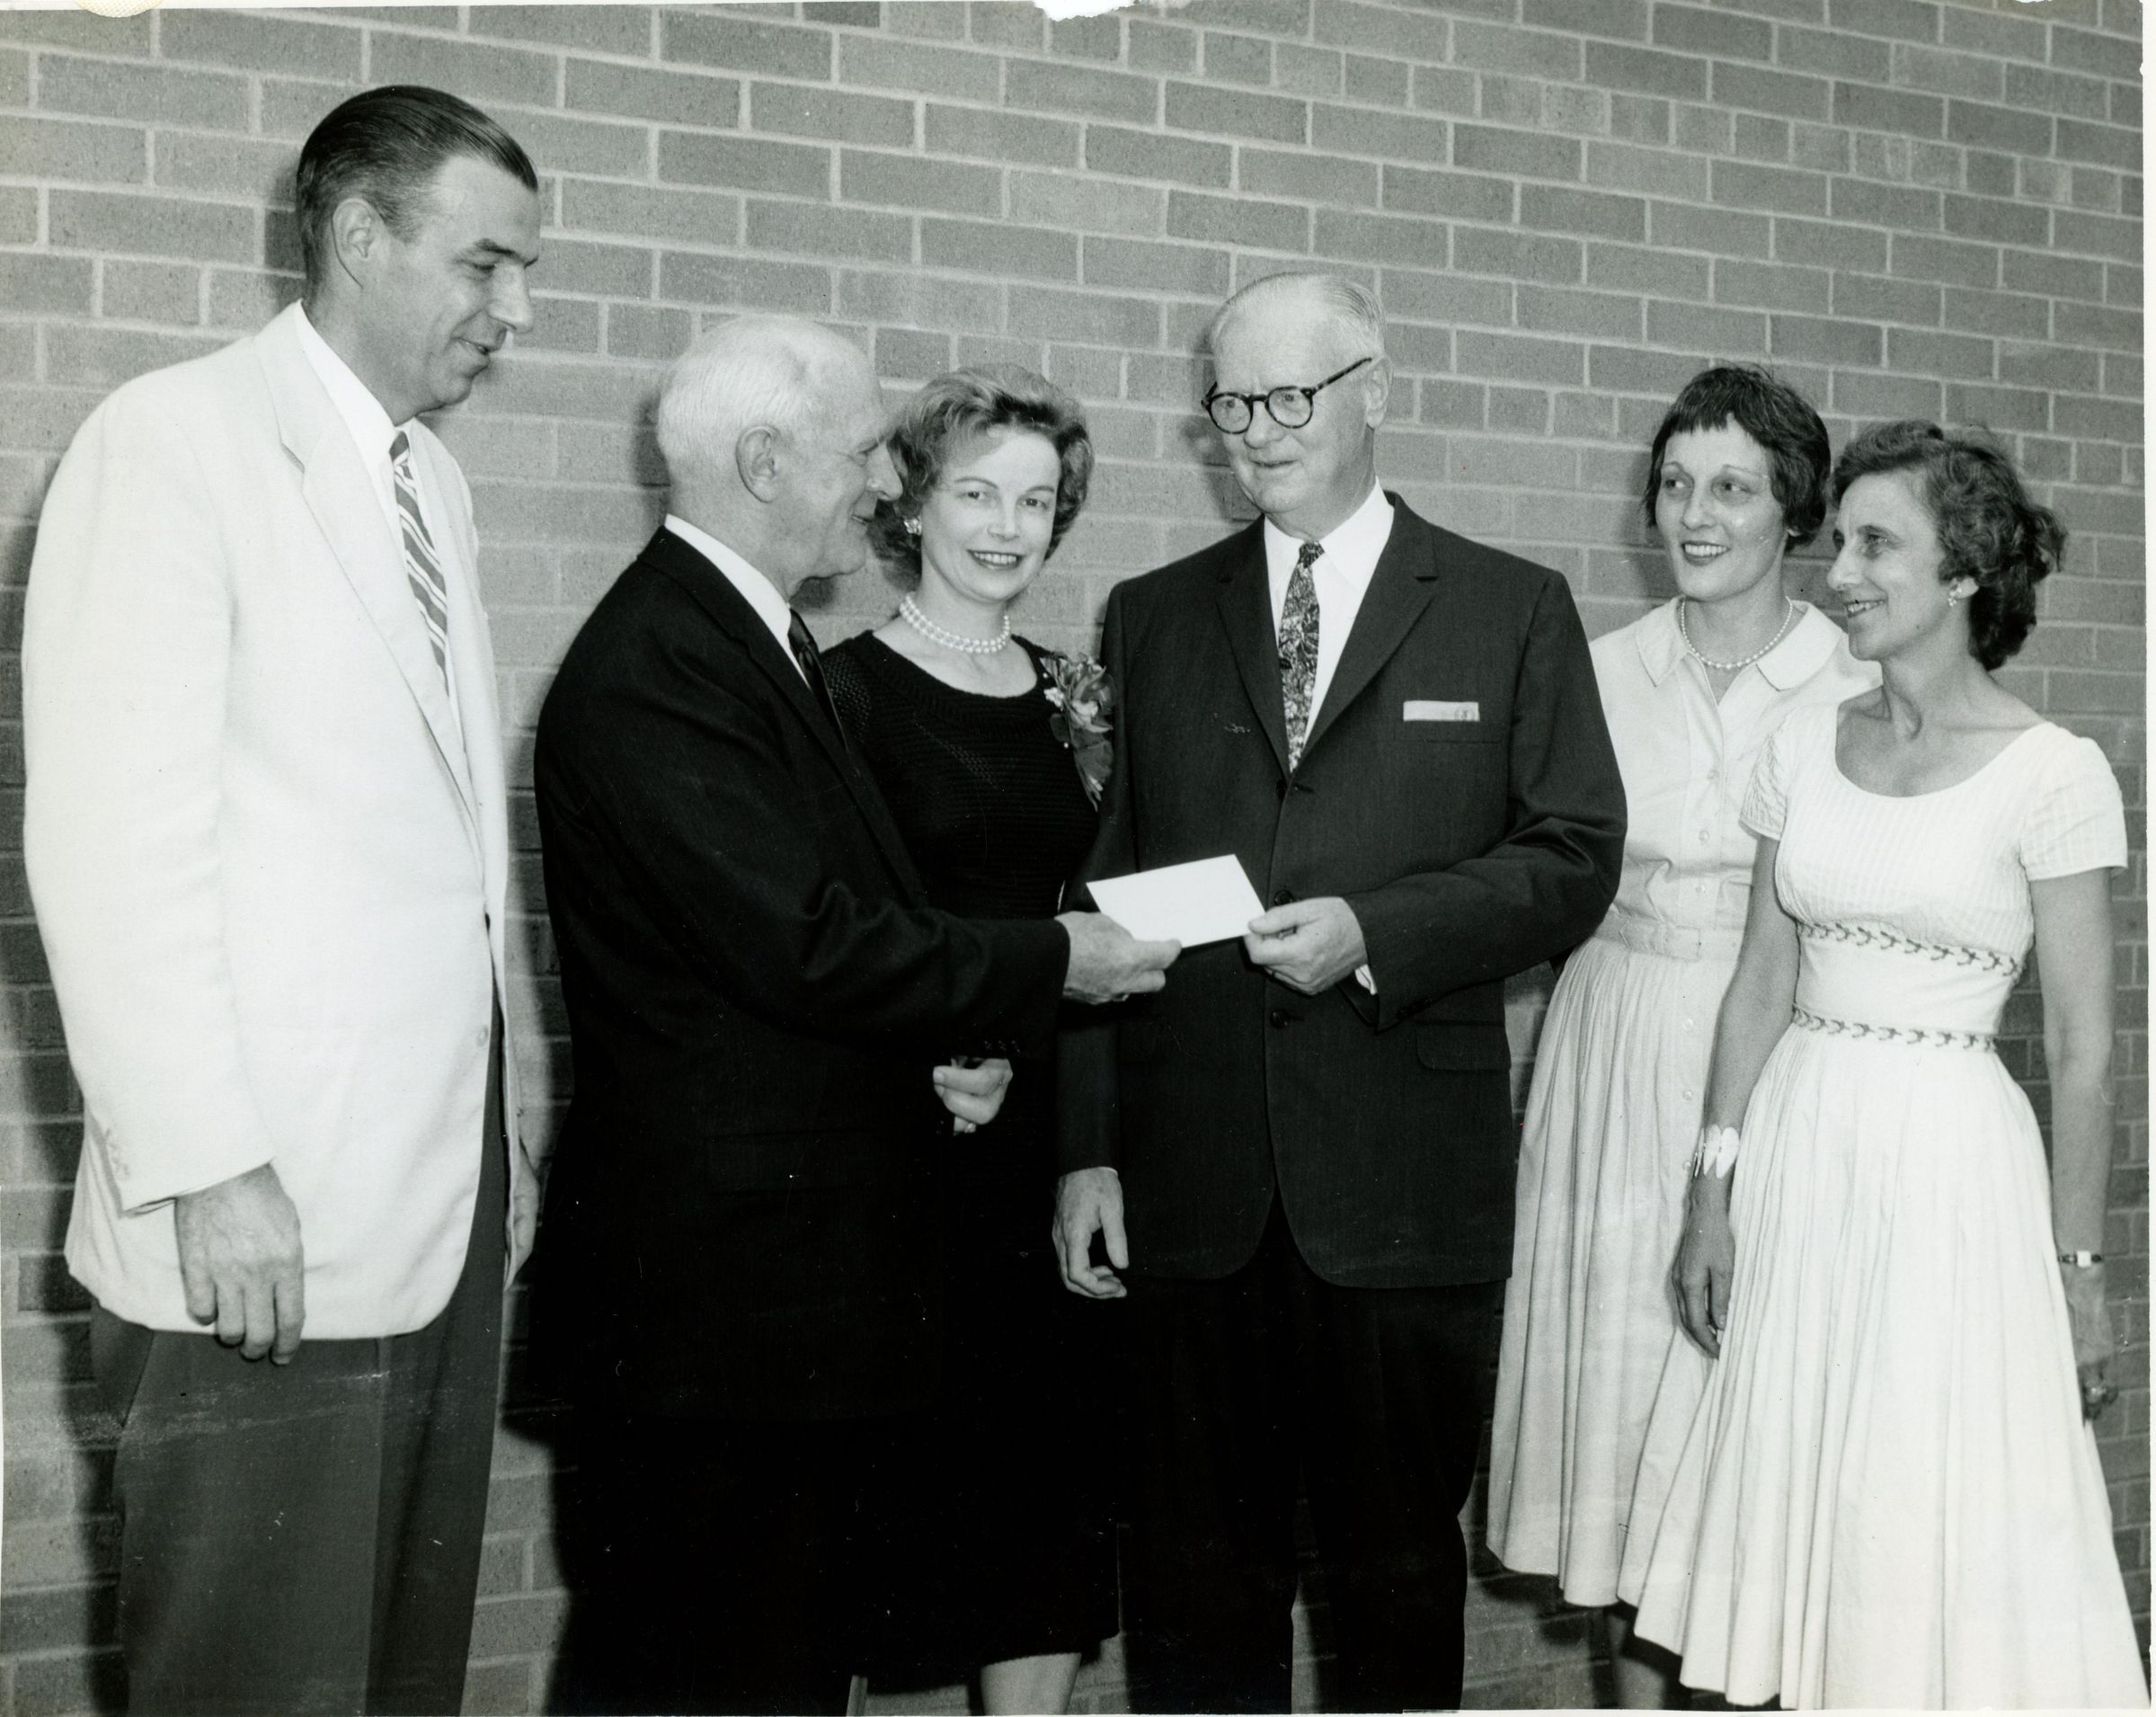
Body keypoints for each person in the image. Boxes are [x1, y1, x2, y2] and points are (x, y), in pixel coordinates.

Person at [532, 317, 1176, 1717]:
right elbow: (802, 941)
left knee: (763, 1662)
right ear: (768, 462)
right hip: (721, 1306)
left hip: (771, 1293)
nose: (886, 480)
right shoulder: (666, 660)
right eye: (871, 450)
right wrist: (1048, 963)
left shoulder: (738, 639)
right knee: (706, 1669)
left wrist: (944, 1058)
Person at [21, 87, 542, 1714]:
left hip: (432, 1202)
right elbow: (111, 844)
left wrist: (503, 1137)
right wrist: (207, 1163)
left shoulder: (430, 483)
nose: (515, 311)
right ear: (360, 236)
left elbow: (441, 862)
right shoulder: (171, 442)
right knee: (261, 1681)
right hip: (259, 1216)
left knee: (398, 1676)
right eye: (486, 264)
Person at [1053, 271, 1627, 1713]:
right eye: (1230, 400)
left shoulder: (1510, 606)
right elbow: (1103, 900)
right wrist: (1088, 1146)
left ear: (1377, 390)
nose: (1254, 429)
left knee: (1391, 1597)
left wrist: (1378, 928)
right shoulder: (1155, 613)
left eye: (1288, 395)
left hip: (1401, 1192)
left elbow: (1572, 855)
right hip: (1195, 1197)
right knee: (1195, 1601)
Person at [1619, 421, 2147, 1707]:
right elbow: (1761, 981)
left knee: (1916, 1501)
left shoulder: (2055, 772)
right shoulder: (1803, 744)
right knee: (1792, 1498)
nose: (1839, 572)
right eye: (1840, 540)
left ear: (1963, 571)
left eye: (1874, 545)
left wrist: (2080, 1275)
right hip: (1801, 1149)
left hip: (1951, 1175)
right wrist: (1711, 1191)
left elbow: (2084, 1054)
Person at [1484, 367, 1875, 1704]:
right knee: (1625, 1426)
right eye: (1675, 485)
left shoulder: (1853, 678)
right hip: (1612, 1047)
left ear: (1796, 513)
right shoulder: (1593, 671)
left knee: (1739, 1424)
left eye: (1733, 488)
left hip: (1778, 1056)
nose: (1695, 516)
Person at [820, 365, 1119, 1716]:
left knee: (1046, 1502)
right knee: (891, 1511)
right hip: (911, 1147)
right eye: (977, 494)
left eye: (1036, 501)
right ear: (914, 506)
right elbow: (820, 938)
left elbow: (1109, 912)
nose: (1007, 527)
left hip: (1058, 1142)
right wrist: (925, 1059)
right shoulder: (840, 695)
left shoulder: (1082, 695)